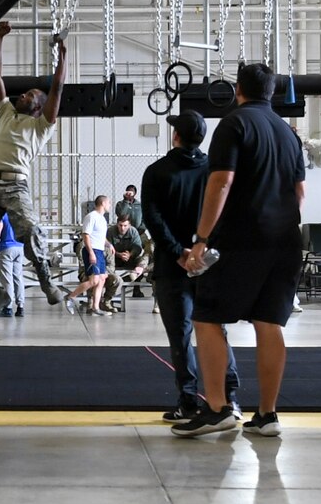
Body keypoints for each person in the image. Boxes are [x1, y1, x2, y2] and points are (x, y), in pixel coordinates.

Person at [175, 62, 305, 438]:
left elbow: (221, 182)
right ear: (272, 91)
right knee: (269, 323)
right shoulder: (287, 132)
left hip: (243, 239)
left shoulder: (234, 123)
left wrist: (202, 237)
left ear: (238, 89)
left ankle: (217, 408)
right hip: (286, 241)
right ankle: (267, 414)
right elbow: (299, 194)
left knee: (206, 317)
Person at [0, 21, 67, 320]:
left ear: (39, 106)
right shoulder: (6, 112)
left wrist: (62, 55)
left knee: (30, 230)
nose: (24, 94)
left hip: (15, 185)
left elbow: (57, 87)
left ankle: (47, 281)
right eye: (23, 93)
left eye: (31, 95)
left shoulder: (41, 126)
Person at [142, 110, 239, 422]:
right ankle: (229, 398)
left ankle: (188, 400)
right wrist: (204, 248)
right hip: (210, 263)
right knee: (216, 331)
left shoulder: (157, 172)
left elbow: (153, 220)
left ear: (176, 136)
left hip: (173, 267)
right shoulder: (215, 170)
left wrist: (178, 252)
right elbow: (226, 214)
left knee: (180, 334)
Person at [63, 194, 113, 314]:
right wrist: (91, 253)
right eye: (109, 203)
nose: (110, 205)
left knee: (101, 279)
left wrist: (109, 245)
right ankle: (70, 297)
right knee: (93, 280)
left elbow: (101, 237)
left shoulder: (102, 219)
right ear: (103, 203)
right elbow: (86, 235)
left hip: (100, 251)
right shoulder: (91, 217)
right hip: (93, 250)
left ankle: (96, 307)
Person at [105, 212, 147, 306]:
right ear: (117, 224)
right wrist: (118, 254)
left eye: (125, 225)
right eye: (120, 225)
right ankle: (110, 289)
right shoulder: (110, 231)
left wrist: (130, 254)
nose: (122, 228)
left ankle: (134, 283)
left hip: (129, 257)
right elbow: (107, 248)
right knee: (106, 262)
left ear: (129, 225)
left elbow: (138, 247)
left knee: (141, 261)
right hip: (114, 257)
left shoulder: (133, 231)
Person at [0, 212, 27, 316]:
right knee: (18, 277)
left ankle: (8, 308)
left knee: (7, 279)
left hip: (6, 247)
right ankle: (20, 307)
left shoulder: (3, 214)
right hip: (19, 247)